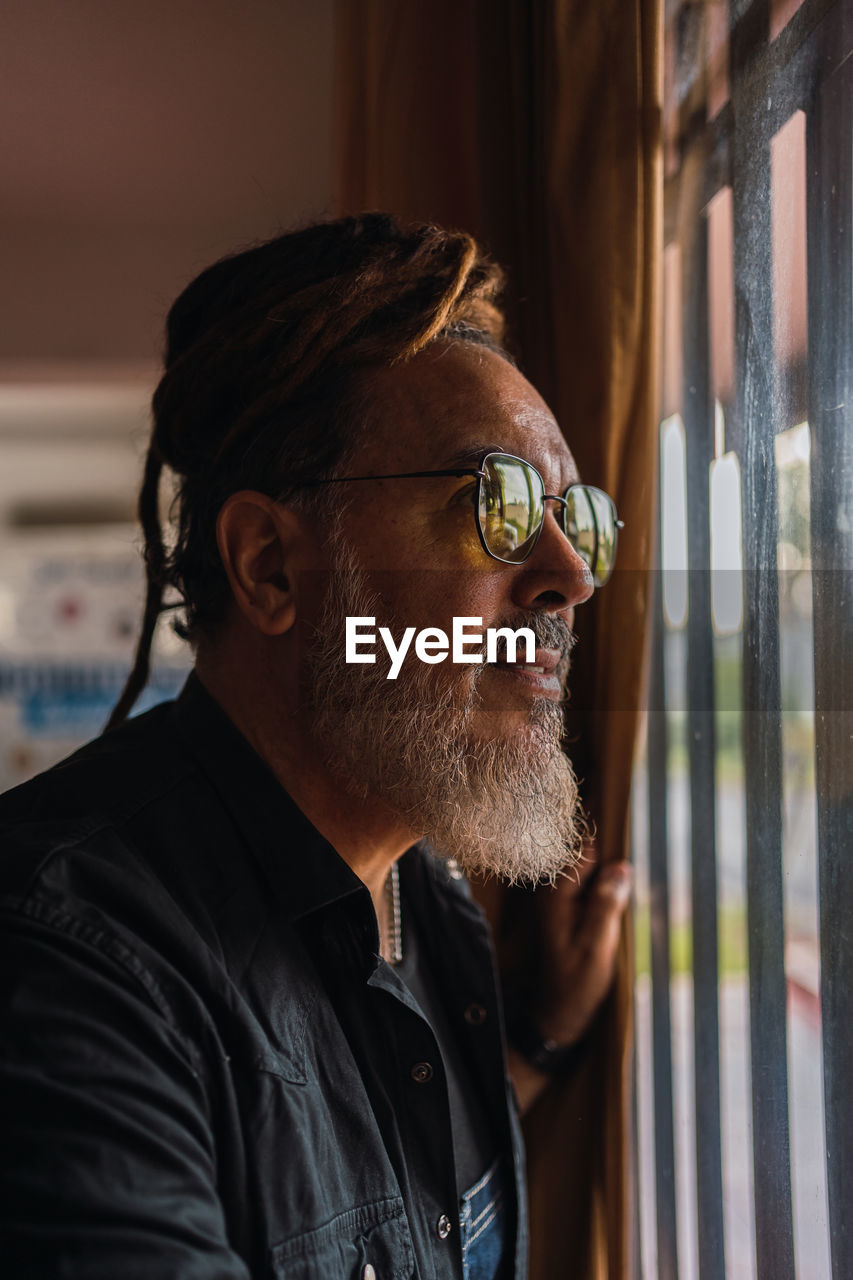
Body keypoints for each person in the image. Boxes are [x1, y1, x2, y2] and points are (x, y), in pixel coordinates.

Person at [0, 214, 631, 1279]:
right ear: (272, 568)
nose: (571, 576)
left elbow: (374, 1195)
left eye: (580, 518)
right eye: (495, 505)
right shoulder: (62, 968)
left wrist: (530, 1044)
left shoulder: (421, 891)